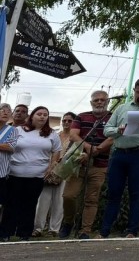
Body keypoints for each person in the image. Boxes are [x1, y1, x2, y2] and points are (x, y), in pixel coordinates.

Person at [99, 78, 139, 238]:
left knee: (136, 193)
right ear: (134, 91)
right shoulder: (122, 108)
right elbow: (106, 130)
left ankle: (132, 231)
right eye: (138, 92)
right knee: (114, 192)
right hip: (120, 153)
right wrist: (118, 130)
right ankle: (104, 231)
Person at [0, 106, 61, 240]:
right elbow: (8, 146)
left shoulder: (52, 134)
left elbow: (57, 151)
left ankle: (24, 233)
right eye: (39, 114)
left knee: (30, 205)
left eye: (45, 114)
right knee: (11, 205)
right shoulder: (18, 130)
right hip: (14, 174)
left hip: (37, 176)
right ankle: (5, 233)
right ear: (32, 116)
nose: (42, 117)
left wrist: (52, 166)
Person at [60, 90, 113, 238]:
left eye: (103, 100)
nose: (99, 102)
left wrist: (96, 151)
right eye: (96, 100)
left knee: (91, 199)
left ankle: (85, 230)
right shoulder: (82, 116)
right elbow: (73, 135)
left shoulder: (112, 118)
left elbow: (113, 138)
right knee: (68, 196)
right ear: (91, 102)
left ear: (108, 101)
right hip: (78, 163)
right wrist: (90, 149)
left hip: (100, 165)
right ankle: (68, 222)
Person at [34, 112, 76, 236]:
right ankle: (38, 228)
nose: (66, 123)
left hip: (65, 171)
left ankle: (54, 229)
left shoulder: (75, 138)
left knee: (59, 201)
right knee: (43, 200)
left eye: (69, 120)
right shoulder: (55, 135)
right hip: (50, 170)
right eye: (65, 120)